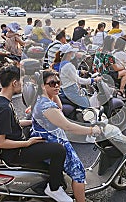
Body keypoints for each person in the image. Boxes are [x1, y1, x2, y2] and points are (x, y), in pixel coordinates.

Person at [0, 66, 72, 202]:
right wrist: (28, 143)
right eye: (21, 81)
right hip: (15, 153)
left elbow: (12, 124)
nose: (23, 84)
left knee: (36, 130)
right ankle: (54, 188)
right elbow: (0, 142)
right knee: (59, 150)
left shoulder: (0, 99)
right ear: (14, 83)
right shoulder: (3, 108)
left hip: (15, 143)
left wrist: (32, 122)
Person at [29, 69, 102, 202]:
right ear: (42, 86)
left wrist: (53, 92)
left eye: (58, 82)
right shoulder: (46, 106)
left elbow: (60, 108)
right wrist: (92, 130)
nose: (57, 85)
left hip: (49, 141)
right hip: (54, 145)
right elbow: (68, 126)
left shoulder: (41, 99)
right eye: (52, 83)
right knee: (79, 172)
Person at [55, 44, 101, 108]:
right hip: (72, 90)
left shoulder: (63, 63)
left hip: (67, 89)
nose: (73, 54)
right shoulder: (68, 65)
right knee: (87, 106)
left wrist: (80, 71)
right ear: (68, 53)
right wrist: (93, 80)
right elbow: (78, 80)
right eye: (72, 52)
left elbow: (69, 73)